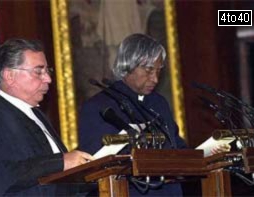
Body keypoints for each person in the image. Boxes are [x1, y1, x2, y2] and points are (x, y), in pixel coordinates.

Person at [78, 33, 230, 196]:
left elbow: (176, 147)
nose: (155, 79)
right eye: (149, 70)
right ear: (127, 64)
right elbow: (95, 165)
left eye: (158, 71)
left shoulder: (158, 102)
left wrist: (206, 154)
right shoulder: (98, 107)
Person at [0, 38, 93, 196]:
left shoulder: (36, 114)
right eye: (39, 71)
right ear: (9, 76)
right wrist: (60, 162)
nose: (48, 79)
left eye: (47, 71)